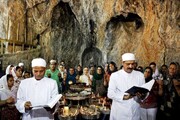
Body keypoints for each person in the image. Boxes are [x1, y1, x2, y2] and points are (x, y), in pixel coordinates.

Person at [107, 53, 145, 120]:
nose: (130, 66)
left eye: (132, 64)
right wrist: (124, 97)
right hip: (119, 113)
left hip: (135, 112)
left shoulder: (140, 75)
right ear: (122, 63)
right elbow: (110, 94)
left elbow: (144, 92)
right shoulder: (115, 75)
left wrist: (141, 95)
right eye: (128, 64)